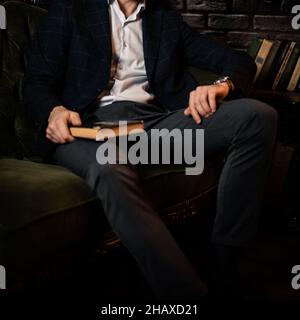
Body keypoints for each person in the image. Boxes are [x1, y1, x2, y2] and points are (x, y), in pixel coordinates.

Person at [23, 0, 278, 300]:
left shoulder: (164, 18)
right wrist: (54, 110)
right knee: (110, 163)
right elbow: (36, 81)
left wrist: (221, 86)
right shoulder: (71, 10)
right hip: (87, 127)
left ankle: (225, 266)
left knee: (257, 117)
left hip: (151, 127)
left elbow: (239, 62)